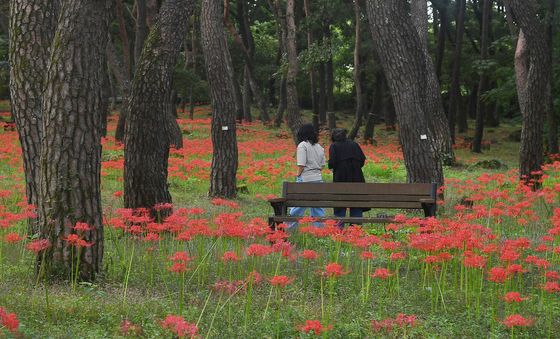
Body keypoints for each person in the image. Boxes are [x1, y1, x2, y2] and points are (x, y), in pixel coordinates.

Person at [288, 123, 326, 230]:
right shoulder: (319, 147)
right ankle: (319, 229)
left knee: (298, 205)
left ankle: (291, 227)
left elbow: (301, 164)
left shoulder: (302, 145)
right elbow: (322, 165)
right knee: (317, 206)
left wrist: (298, 175)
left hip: (305, 178)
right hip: (318, 179)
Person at [328, 128, 366, 225]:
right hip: (357, 177)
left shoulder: (334, 146)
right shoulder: (354, 144)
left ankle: (339, 229)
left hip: (341, 178)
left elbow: (332, 163)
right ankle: (356, 228)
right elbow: (362, 160)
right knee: (356, 202)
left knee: (340, 202)